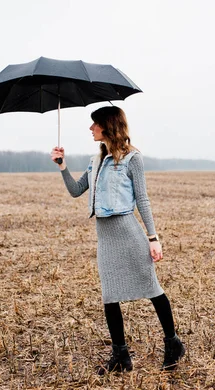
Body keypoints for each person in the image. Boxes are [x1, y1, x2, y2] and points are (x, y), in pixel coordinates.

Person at [50, 106, 185, 374]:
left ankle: (173, 343)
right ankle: (121, 357)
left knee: (152, 288)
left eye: (94, 124)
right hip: (106, 238)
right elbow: (77, 191)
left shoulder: (133, 159)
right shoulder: (95, 160)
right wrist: (62, 166)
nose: (90, 129)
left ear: (107, 126)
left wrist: (153, 238)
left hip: (129, 233)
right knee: (109, 295)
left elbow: (143, 200)